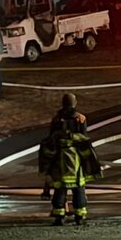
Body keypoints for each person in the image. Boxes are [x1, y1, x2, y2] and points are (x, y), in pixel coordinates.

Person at [39, 93, 100, 226]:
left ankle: (59, 216)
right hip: (76, 159)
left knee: (60, 189)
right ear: (75, 103)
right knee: (78, 188)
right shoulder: (81, 118)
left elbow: (51, 140)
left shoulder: (56, 119)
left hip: (59, 159)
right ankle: (80, 215)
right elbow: (85, 139)